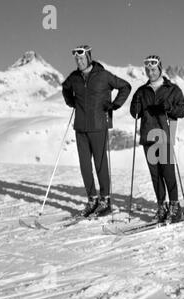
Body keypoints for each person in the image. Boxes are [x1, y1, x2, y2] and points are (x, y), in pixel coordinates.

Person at [62, 45, 131, 217]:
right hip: (80, 127)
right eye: (77, 59)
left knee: (100, 165)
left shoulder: (103, 75)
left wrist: (114, 105)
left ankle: (105, 200)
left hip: (99, 125)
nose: (79, 61)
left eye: (82, 58)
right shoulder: (74, 77)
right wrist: (71, 102)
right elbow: (65, 87)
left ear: (89, 57)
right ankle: (92, 199)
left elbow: (126, 86)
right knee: (85, 166)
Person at [130, 55, 184, 223]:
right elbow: (134, 113)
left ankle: (175, 207)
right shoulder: (142, 91)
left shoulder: (172, 89)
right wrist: (137, 107)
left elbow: (182, 110)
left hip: (164, 135)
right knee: (155, 174)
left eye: (153, 69)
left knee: (168, 172)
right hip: (148, 137)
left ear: (160, 69)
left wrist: (168, 107)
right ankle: (161, 206)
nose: (150, 72)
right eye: (147, 69)